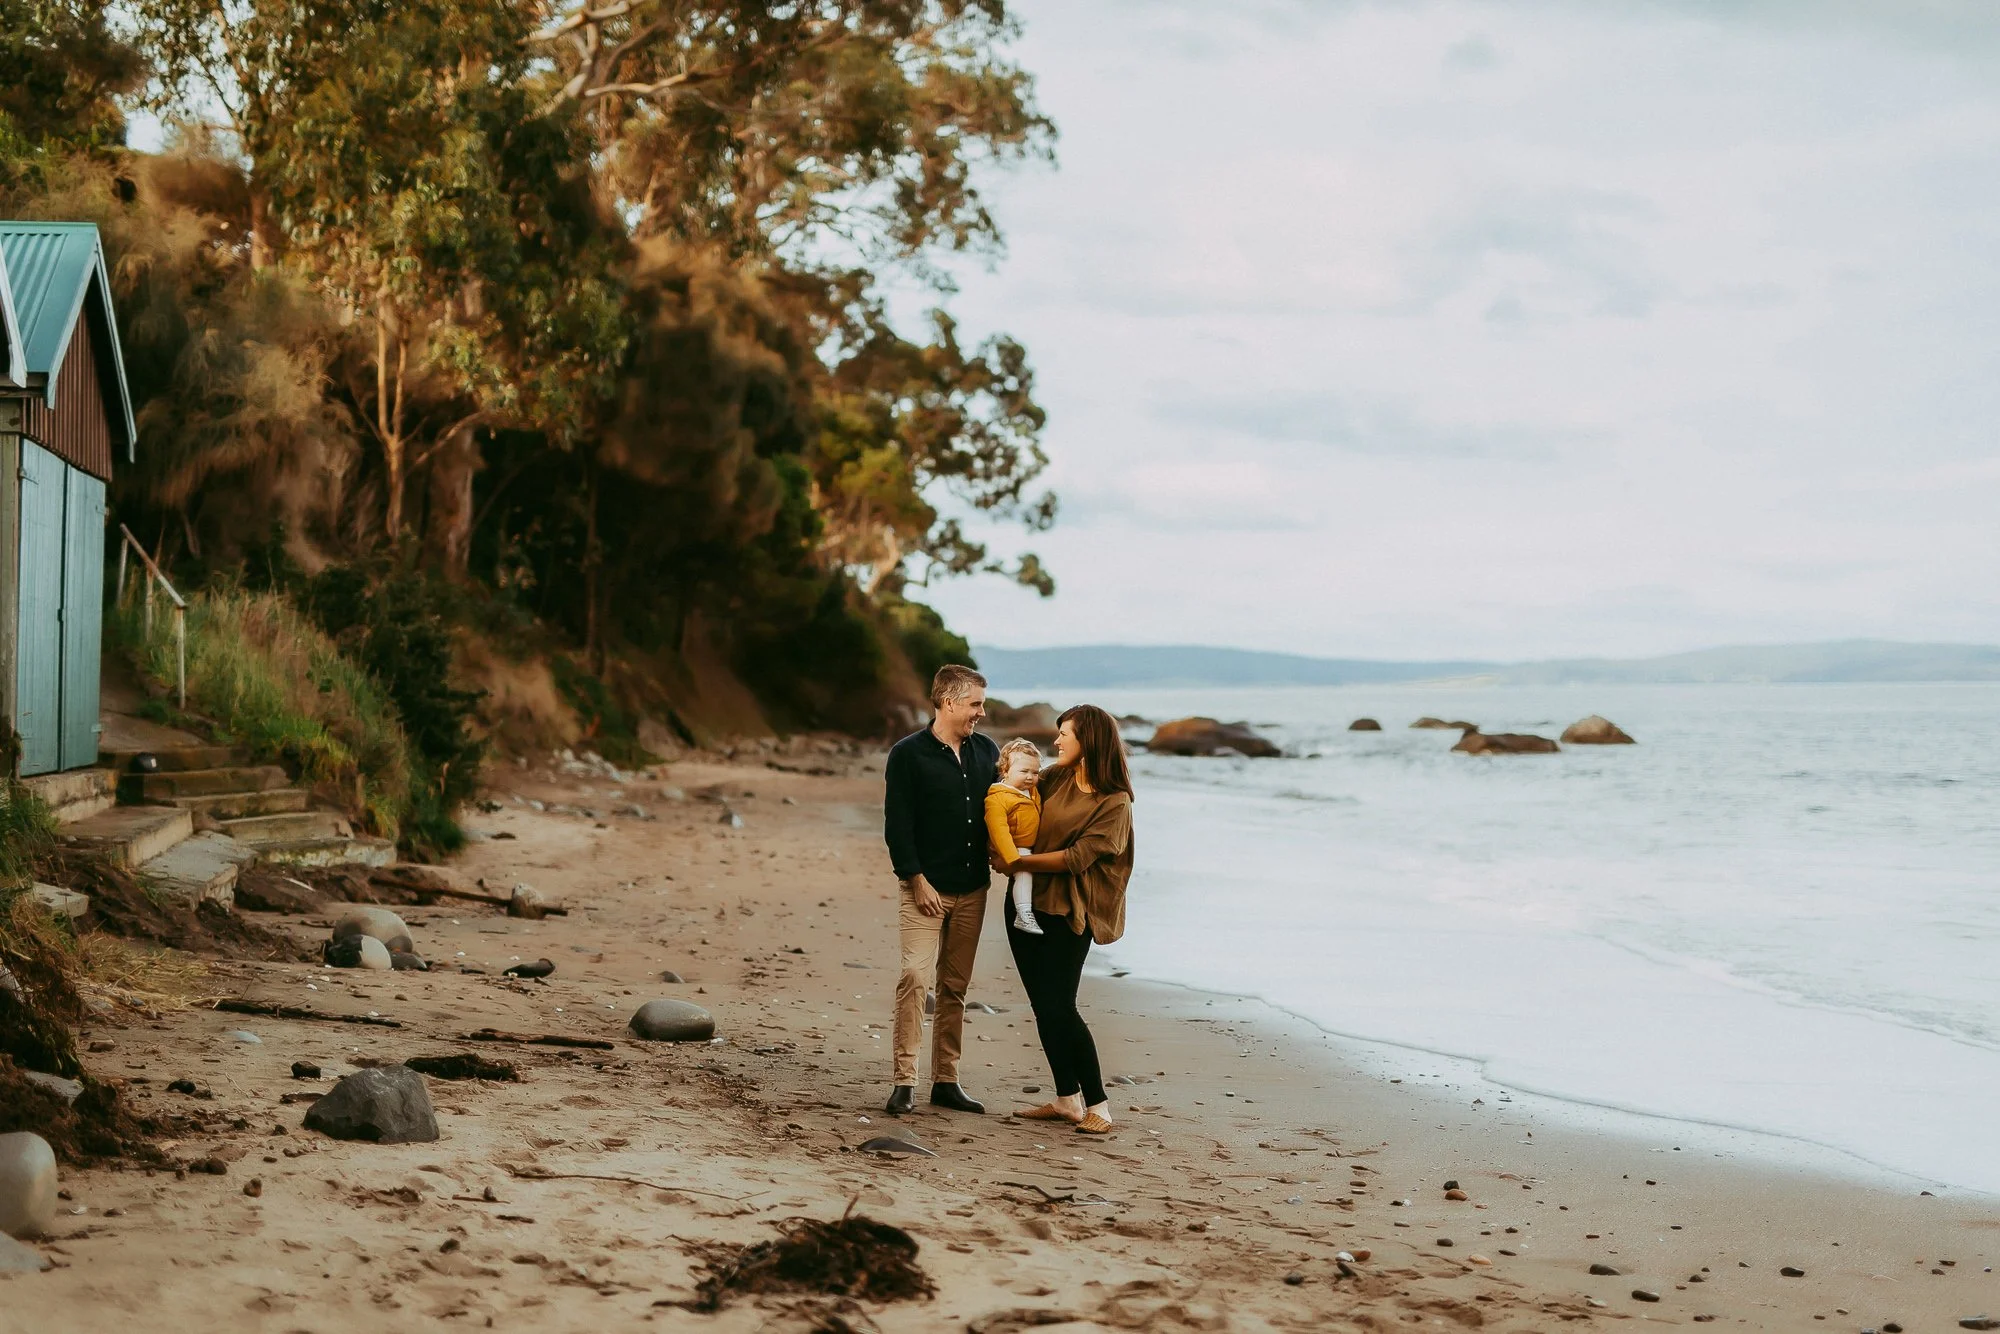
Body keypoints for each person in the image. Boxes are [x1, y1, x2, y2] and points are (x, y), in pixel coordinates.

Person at [1003, 704, 1135, 1136]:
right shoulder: (1055, 778)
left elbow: (1079, 858)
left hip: (1068, 913)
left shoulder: (1114, 802)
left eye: (1065, 734)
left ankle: (1098, 1104)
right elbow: (1012, 801)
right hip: (1024, 904)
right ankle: (1065, 1099)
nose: (1056, 741)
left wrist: (1015, 863)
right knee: (1044, 1007)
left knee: (1061, 1006)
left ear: (1089, 741)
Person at [881, 663, 999, 1117]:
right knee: (914, 978)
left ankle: (946, 1080)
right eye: (975, 704)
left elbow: (1010, 805)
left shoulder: (987, 751)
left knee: (955, 987)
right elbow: (898, 825)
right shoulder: (907, 754)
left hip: (973, 890)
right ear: (949, 702)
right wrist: (916, 879)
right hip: (924, 889)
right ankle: (904, 1081)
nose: (981, 713)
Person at [984, 738, 1044, 934]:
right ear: (1005, 771)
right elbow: (998, 829)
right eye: (1024, 771)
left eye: (1035, 772)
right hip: (1016, 848)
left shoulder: (1030, 791)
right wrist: (1013, 858)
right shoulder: (998, 798)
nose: (1030, 777)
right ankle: (1023, 913)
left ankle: (1026, 910)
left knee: (1029, 875)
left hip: (1030, 846)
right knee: (1024, 874)